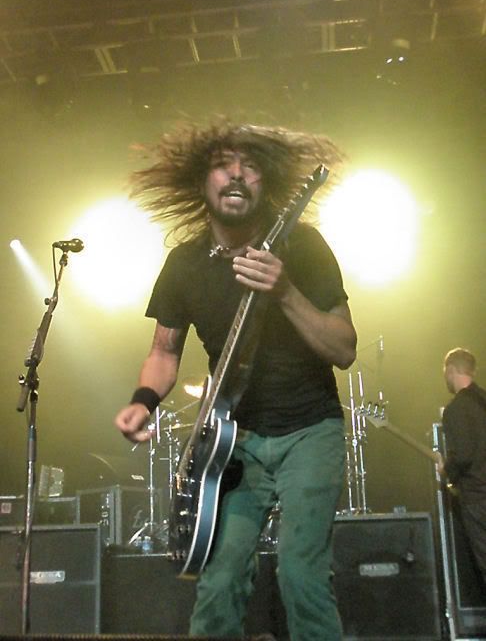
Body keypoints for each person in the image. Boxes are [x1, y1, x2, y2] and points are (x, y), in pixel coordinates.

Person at [114, 120, 357, 640]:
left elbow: (344, 349)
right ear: (201, 181)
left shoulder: (303, 246)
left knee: (301, 574)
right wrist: (143, 400)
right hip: (233, 441)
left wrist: (285, 291)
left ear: (266, 183)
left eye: (250, 166)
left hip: (310, 430)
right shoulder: (184, 264)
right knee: (219, 581)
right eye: (224, 165)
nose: (237, 175)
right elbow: (164, 350)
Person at [436, 347, 486, 585]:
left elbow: (464, 454)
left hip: (477, 497)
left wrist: (446, 470)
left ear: (451, 370)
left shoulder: (455, 409)